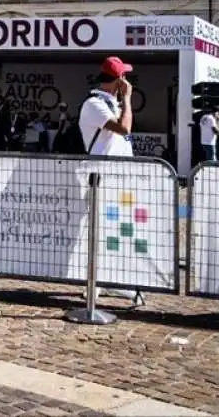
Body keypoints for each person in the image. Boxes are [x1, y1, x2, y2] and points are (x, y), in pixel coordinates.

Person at [77, 56, 142, 305]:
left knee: (117, 231)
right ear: (117, 80)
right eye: (123, 76)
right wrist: (127, 99)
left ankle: (111, 279)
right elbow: (124, 128)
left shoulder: (110, 103)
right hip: (101, 176)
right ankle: (92, 283)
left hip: (120, 176)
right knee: (97, 231)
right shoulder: (95, 104)